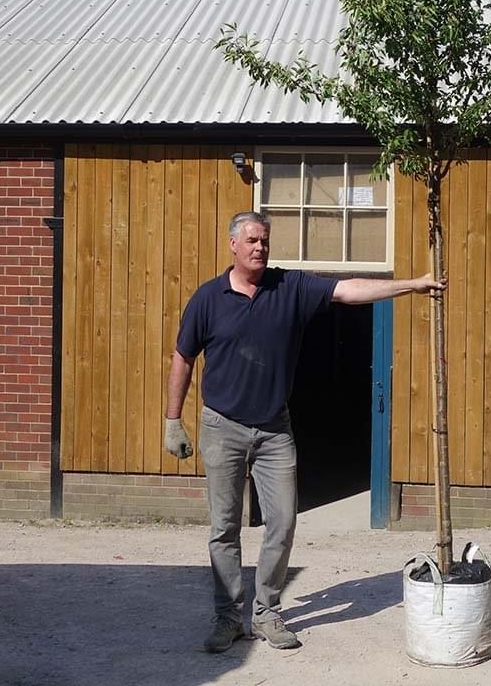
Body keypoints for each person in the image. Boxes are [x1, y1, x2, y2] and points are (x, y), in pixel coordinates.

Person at [163, 210, 445, 654]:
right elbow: (183, 357)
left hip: (275, 430)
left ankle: (267, 612)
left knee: (283, 521)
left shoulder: (288, 287)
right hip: (223, 427)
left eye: (266, 241)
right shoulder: (207, 299)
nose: (260, 248)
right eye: (252, 240)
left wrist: (410, 284)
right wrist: (172, 419)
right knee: (224, 528)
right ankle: (227, 617)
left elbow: (349, 291)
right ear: (233, 245)